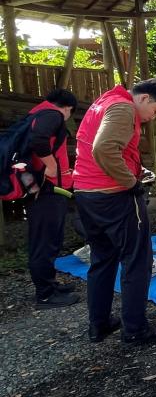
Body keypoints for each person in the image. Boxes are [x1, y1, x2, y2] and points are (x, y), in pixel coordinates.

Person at [73, 78, 156, 345]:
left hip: (87, 192)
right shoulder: (123, 108)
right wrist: (132, 183)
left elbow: (106, 147)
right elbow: (104, 148)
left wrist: (138, 170)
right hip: (113, 195)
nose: (153, 118)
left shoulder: (104, 102)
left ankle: (99, 324)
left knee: (102, 258)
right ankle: (135, 329)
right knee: (137, 260)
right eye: (155, 111)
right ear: (144, 98)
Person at [25, 88, 80, 309]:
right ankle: (46, 295)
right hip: (47, 189)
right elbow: (38, 140)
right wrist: (50, 165)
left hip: (44, 189)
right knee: (44, 243)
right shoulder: (53, 115)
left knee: (49, 240)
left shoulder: (36, 113)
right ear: (68, 108)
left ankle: (50, 284)